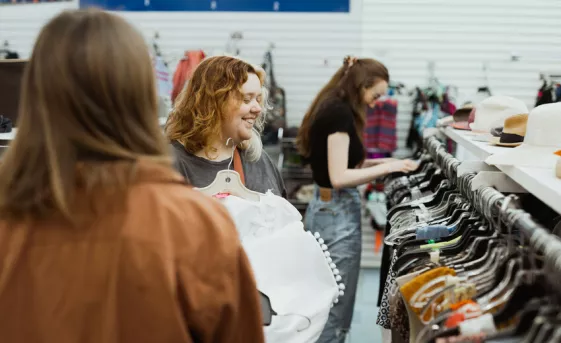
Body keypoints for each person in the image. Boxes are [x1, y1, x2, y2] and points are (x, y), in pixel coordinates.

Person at [0, 9, 265, 343]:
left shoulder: (10, 223)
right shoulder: (195, 225)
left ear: (36, 97)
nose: (255, 108)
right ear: (140, 97)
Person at [296, 56, 417, 342]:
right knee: (334, 305)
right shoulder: (339, 114)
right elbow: (339, 177)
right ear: (361, 85)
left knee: (332, 299)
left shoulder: (333, 107)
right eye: (375, 95)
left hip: (330, 208)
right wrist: (388, 168)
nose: (376, 103)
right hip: (335, 210)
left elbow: (339, 166)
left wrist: (386, 161)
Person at [166, 55, 286, 197]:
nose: (257, 108)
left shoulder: (259, 161)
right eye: (246, 99)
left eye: (258, 99)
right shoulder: (171, 165)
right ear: (213, 104)